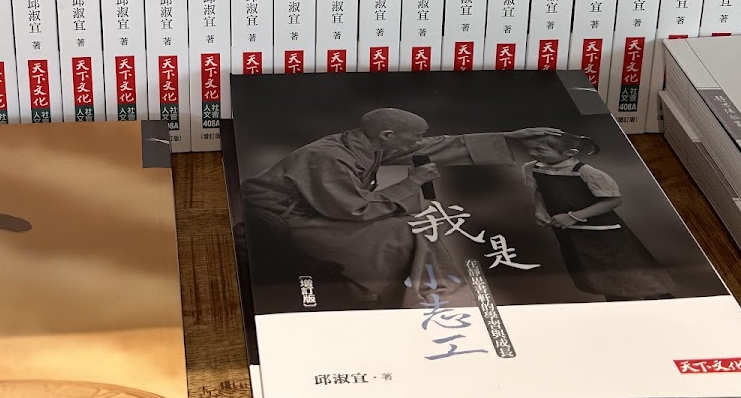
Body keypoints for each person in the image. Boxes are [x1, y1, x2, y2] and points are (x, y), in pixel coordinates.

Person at [240, 108, 561, 308]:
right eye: (414, 138)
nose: (418, 143)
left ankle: (435, 292)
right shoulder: (328, 156)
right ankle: (428, 297)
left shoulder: (366, 143)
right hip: (283, 222)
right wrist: (413, 181)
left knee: (414, 224)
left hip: (320, 212)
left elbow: (436, 146)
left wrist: (510, 139)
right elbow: (353, 210)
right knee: (401, 231)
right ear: (388, 135)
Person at [523, 132, 676, 302]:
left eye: (539, 150)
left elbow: (614, 200)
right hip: (572, 233)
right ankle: (619, 305)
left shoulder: (586, 172)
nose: (532, 153)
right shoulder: (532, 168)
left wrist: (573, 216)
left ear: (569, 153)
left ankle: (661, 300)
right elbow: (539, 191)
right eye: (529, 149)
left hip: (604, 233)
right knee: (600, 275)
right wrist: (540, 210)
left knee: (628, 270)